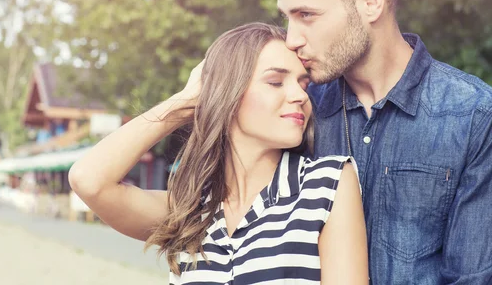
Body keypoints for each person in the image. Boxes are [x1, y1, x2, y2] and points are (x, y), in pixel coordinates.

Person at [271, 0, 492, 284]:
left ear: (370, 3)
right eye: (287, 17)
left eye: (306, 15)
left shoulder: (475, 117)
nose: (291, 38)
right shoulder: (298, 110)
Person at [69, 22, 368, 284]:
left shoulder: (328, 184)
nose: (300, 95)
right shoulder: (188, 210)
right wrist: (186, 100)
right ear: (229, 93)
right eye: (276, 81)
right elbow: (88, 180)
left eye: (303, 84)